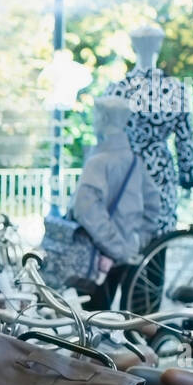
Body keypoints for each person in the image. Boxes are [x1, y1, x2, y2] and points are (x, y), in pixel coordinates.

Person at [70, 95, 161, 310]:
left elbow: (86, 210)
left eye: (94, 115)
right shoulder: (134, 160)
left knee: (92, 320)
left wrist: (114, 247)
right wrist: (134, 243)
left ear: (103, 118)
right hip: (123, 254)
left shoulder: (98, 161)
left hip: (97, 254)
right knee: (108, 317)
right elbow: (153, 205)